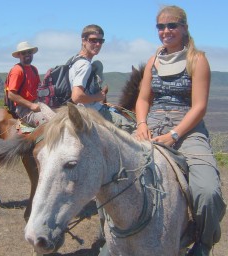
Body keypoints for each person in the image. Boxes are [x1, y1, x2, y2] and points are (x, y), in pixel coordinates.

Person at [135, 5, 226, 256]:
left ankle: (204, 243)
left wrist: (174, 134)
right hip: (151, 125)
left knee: (206, 191)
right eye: (161, 26)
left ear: (184, 27)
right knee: (114, 170)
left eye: (172, 25)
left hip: (188, 130)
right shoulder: (153, 61)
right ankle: (114, 236)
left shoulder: (197, 60)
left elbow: (199, 107)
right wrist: (141, 124)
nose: (166, 31)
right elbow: (143, 99)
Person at [69, 24, 136, 134]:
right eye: (93, 40)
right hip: (91, 111)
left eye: (101, 41)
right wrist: (98, 96)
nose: (98, 44)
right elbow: (77, 96)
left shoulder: (74, 59)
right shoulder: (84, 65)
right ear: (84, 40)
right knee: (133, 129)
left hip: (85, 109)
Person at [5, 41, 47, 127]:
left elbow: (39, 88)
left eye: (29, 52)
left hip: (36, 103)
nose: (27, 54)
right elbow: (11, 95)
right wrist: (31, 105)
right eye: (24, 53)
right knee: (46, 124)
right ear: (19, 55)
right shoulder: (17, 70)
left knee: (56, 118)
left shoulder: (34, 69)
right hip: (23, 108)